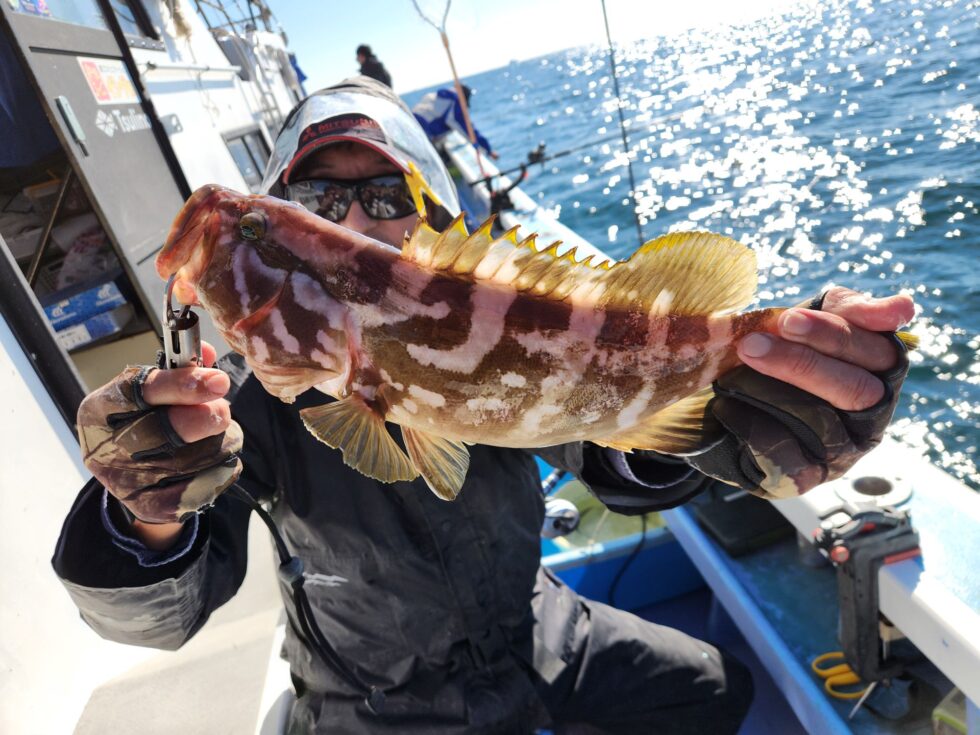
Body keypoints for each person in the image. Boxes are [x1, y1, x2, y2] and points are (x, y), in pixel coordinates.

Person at [56, 76, 915, 734]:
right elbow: (160, 617)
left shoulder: (503, 329)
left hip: (539, 632)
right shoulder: (245, 410)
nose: (356, 218)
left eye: (387, 197)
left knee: (717, 687)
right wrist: (143, 504)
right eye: (317, 202)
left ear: (433, 214)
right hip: (372, 702)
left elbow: (616, 455)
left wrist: (752, 421)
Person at [413, 84, 499, 159]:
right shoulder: (456, 103)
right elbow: (469, 131)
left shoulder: (437, 95)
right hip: (422, 135)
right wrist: (488, 151)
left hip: (411, 125)